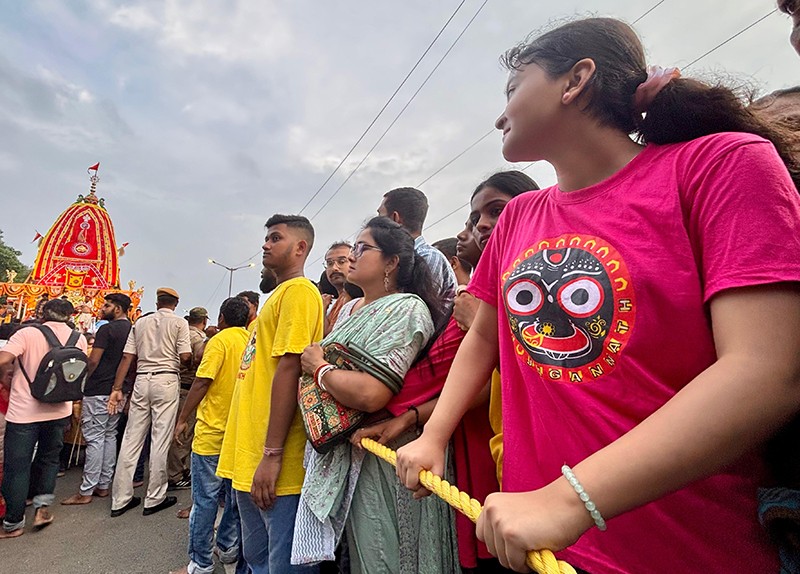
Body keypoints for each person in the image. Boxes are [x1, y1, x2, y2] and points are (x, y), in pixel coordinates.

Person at [397, 17, 800, 573]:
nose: (499, 114)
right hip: (537, 543)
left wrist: (570, 500)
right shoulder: (520, 215)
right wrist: (433, 435)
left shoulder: (720, 165)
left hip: (683, 547)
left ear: (575, 80)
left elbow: (767, 370)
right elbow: (485, 335)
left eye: (513, 90)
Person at [292, 216, 453, 573]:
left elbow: (371, 394)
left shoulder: (406, 308)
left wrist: (318, 367)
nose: (351, 257)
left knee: (384, 553)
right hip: (351, 453)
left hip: (382, 455)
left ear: (392, 263)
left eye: (363, 249)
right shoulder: (353, 309)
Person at [216, 214, 324, 574]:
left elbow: (290, 368)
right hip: (249, 457)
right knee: (258, 560)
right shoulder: (278, 296)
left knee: (282, 566)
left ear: (300, 248)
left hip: (276, 464)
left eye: (275, 238)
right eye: (266, 238)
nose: (265, 245)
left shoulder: (300, 292)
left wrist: (273, 455)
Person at [170, 297, 251, 574]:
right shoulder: (251, 340)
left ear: (222, 317)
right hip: (238, 433)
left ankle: (200, 562)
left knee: (205, 501)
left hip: (212, 434)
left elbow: (203, 381)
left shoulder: (219, 341)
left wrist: (182, 419)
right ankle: (227, 547)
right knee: (232, 498)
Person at [0, 299, 87, 538]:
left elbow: (3, 359)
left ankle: (13, 523)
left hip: (24, 412)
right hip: (60, 410)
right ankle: (41, 510)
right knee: (49, 460)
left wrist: (5, 378)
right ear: (70, 315)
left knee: (17, 467)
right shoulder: (77, 338)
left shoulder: (27, 333)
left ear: (42, 313)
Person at [109, 287, 192, 517]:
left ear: (157, 303)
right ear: (175, 303)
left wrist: (116, 388)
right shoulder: (179, 324)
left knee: (131, 439)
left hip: (142, 380)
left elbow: (127, 357)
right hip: (166, 379)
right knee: (160, 438)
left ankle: (120, 499)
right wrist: (185, 363)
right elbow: (185, 356)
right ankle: (155, 497)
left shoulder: (140, 323)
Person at [62, 293, 132, 506]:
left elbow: (93, 361)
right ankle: (103, 485)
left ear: (118, 309)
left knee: (94, 438)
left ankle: (86, 490)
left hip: (99, 389)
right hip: (119, 391)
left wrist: (82, 381)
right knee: (109, 435)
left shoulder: (106, 329)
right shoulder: (131, 329)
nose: (102, 308)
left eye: (107, 305)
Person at [378, 187, 457, 305]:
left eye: (380, 216)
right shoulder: (398, 258)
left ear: (395, 218)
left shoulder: (427, 257)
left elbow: (409, 311)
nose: (375, 226)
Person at [169, 306, 208, 490]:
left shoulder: (181, 334)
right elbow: (198, 362)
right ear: (204, 321)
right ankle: (176, 475)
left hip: (176, 386)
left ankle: (176, 472)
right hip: (189, 387)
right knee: (183, 434)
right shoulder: (198, 339)